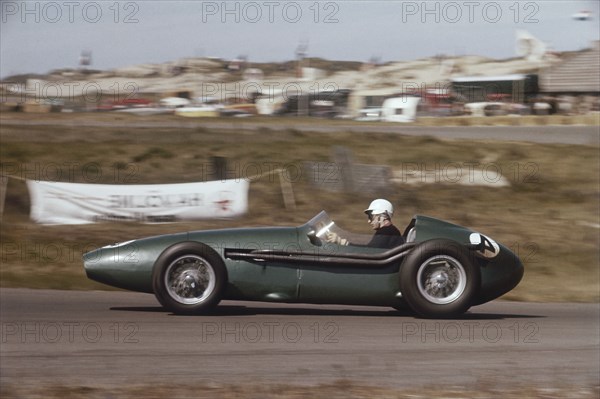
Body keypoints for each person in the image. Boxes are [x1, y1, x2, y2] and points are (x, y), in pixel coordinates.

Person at [327, 199, 405, 249]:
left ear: (382, 217)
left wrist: (341, 242)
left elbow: (368, 252)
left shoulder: (386, 232)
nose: (369, 221)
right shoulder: (390, 230)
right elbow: (369, 250)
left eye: (371, 217)